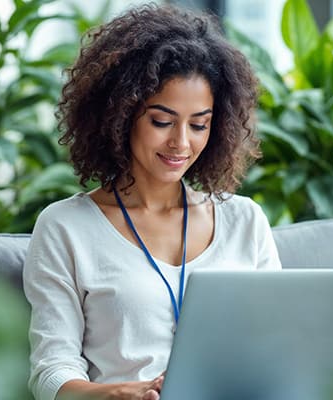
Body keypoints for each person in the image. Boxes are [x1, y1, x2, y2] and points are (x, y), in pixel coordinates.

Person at [23, 4, 282, 400]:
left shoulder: (245, 221)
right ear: (121, 115)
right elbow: (51, 371)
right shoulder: (65, 228)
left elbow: (279, 347)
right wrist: (112, 394)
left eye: (199, 124)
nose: (181, 143)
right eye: (162, 121)